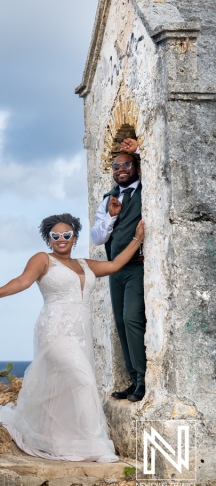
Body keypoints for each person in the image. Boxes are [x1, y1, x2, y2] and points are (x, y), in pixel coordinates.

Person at [0, 213, 144, 462]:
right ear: (49, 239)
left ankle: (56, 440)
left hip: (82, 331)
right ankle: (97, 447)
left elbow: (114, 266)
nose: (61, 239)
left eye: (67, 235)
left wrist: (137, 239)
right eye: (55, 236)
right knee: (84, 380)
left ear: (75, 238)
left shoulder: (84, 264)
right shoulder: (43, 260)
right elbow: (22, 281)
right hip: (55, 330)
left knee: (63, 388)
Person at [90, 138, 146, 402]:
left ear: (135, 167)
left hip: (137, 266)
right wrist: (112, 216)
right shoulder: (108, 199)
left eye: (126, 164)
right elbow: (98, 238)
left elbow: (159, 159)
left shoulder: (146, 189)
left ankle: (144, 381)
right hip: (115, 271)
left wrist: (139, 150)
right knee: (121, 324)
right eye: (115, 167)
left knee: (133, 320)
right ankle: (133, 381)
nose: (120, 169)